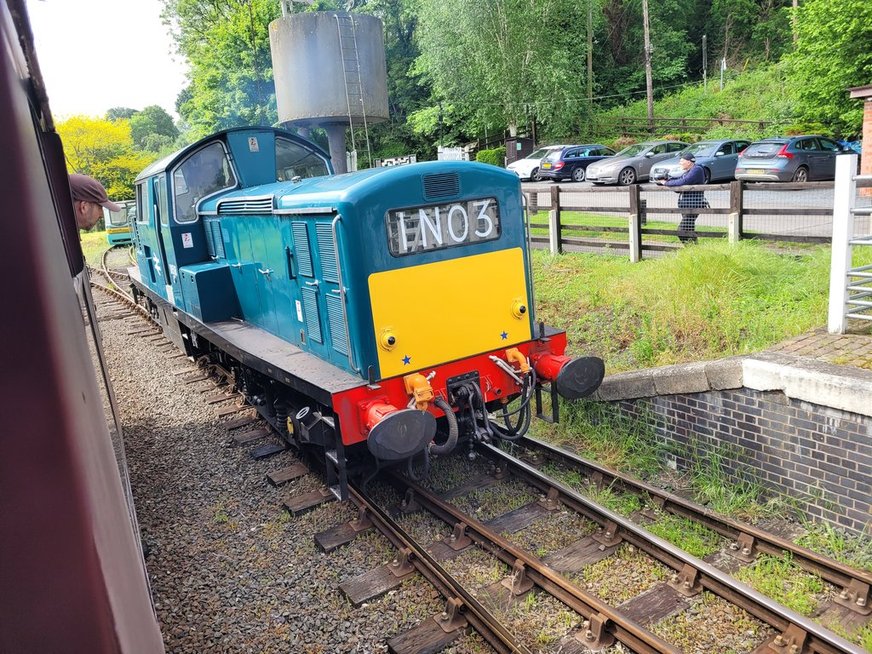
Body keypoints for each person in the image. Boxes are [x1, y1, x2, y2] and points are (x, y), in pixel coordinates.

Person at [655, 152, 708, 243]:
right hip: (687, 205)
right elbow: (679, 183)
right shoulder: (689, 171)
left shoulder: (697, 169)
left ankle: (691, 248)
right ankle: (693, 250)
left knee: (681, 230)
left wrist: (666, 183)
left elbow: (683, 181)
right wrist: (667, 180)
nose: (680, 163)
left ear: (689, 162)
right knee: (689, 229)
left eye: (681, 161)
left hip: (694, 205)